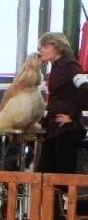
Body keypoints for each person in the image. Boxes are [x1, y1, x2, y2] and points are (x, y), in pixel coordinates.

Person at [37, 32, 88, 174]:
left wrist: (71, 115)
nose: (41, 50)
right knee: (46, 174)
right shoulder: (56, 66)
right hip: (55, 128)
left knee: (62, 175)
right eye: (41, 47)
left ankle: (64, 197)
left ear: (57, 47)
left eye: (45, 46)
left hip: (66, 130)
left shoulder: (69, 64)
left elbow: (85, 89)